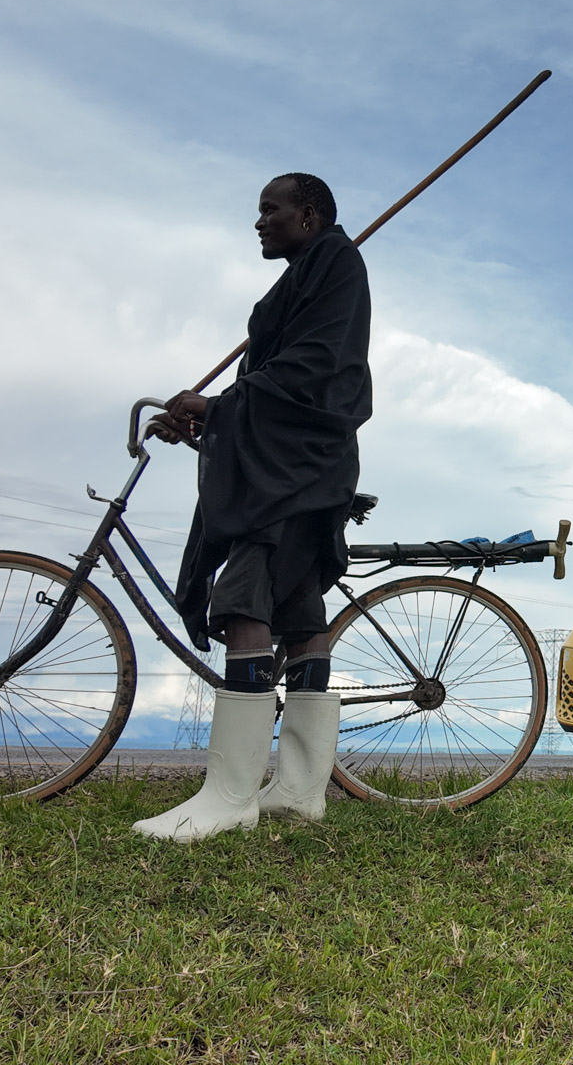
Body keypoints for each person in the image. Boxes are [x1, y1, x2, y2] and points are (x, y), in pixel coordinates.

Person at [132, 172, 372, 843]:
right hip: (294, 468)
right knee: (299, 614)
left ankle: (230, 795)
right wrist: (210, 416)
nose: (260, 221)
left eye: (271, 209)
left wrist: (220, 405)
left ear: (309, 215)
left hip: (297, 472)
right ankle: (298, 791)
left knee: (242, 601)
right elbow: (274, 378)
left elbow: (315, 368)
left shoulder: (335, 262)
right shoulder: (306, 275)